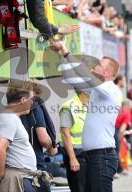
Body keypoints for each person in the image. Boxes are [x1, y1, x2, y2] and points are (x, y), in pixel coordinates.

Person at [51, 40, 121, 192]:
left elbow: (84, 74)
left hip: (102, 157)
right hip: (94, 157)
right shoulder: (98, 90)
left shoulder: (110, 89)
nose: (95, 65)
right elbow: (71, 78)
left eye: (100, 65)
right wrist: (60, 55)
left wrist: (66, 51)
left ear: (108, 73)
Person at [0, 80, 52, 192]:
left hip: (23, 178)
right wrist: (0, 174)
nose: (32, 103)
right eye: (31, 100)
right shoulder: (8, 118)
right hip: (17, 179)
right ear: (23, 100)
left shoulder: (12, 118)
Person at [21, 82, 57, 192]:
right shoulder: (36, 106)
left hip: (17, 168)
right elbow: (44, 139)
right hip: (35, 166)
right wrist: (52, 147)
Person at [59, 91, 87, 192]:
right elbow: (65, 134)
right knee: (79, 188)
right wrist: (72, 158)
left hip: (87, 154)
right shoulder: (68, 107)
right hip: (76, 155)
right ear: (83, 90)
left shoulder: (87, 105)